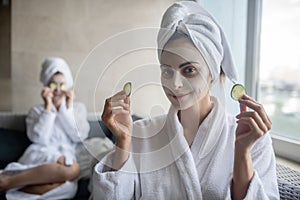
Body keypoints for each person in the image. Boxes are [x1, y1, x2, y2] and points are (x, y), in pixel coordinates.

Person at [92, 1, 279, 199]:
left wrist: (242, 154)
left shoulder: (253, 138)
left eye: (189, 70)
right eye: (167, 71)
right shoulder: (140, 134)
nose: (175, 84)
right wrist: (122, 142)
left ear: (212, 73)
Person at [0, 57, 90, 199]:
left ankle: (9, 184)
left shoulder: (77, 108)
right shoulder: (36, 111)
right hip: (40, 154)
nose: (58, 90)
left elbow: (79, 136)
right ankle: (13, 181)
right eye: (54, 85)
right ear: (47, 86)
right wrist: (48, 108)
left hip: (65, 155)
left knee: (69, 189)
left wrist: (66, 109)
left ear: (68, 87)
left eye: (62, 85)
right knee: (72, 171)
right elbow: (38, 139)